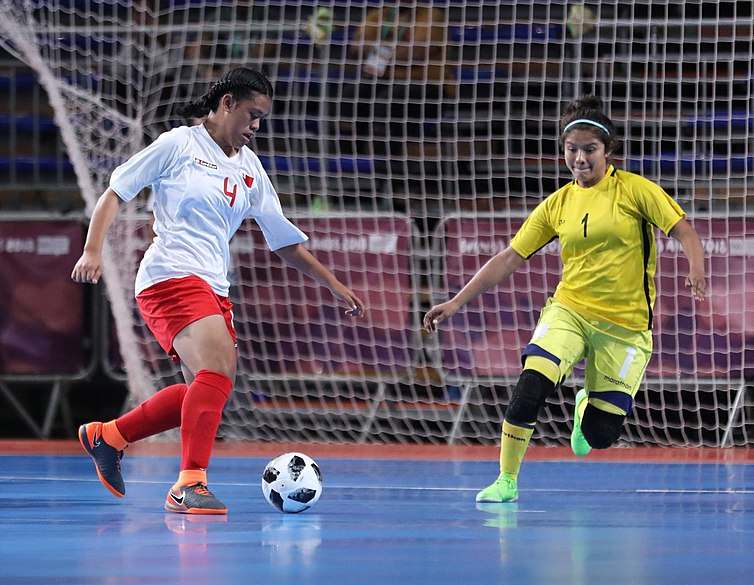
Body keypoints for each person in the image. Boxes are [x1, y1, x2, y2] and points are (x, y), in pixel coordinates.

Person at [71, 67, 365, 515]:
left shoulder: (249, 167)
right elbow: (116, 192)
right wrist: (92, 250)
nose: (255, 127)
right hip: (169, 275)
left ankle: (109, 436)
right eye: (251, 114)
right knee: (220, 367)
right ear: (226, 103)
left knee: (204, 390)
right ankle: (188, 484)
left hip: (212, 285)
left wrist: (334, 284)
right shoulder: (179, 144)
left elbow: (284, 241)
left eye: (262, 119)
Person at [423, 95, 707, 503]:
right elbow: (508, 257)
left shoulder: (635, 191)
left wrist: (695, 268)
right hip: (569, 311)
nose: (579, 158)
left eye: (589, 149)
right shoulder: (557, 203)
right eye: (571, 150)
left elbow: (685, 232)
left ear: (608, 151)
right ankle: (507, 479)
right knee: (530, 384)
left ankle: (585, 405)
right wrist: (455, 301)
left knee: (600, 435)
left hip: (625, 327)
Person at [334, 2, 452, 199]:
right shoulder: (380, 14)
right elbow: (356, 47)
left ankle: (392, 184)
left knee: (385, 105)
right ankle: (353, 179)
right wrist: (394, 47)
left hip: (427, 86)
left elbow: (415, 54)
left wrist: (379, 46)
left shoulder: (431, 15)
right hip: (386, 80)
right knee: (349, 99)